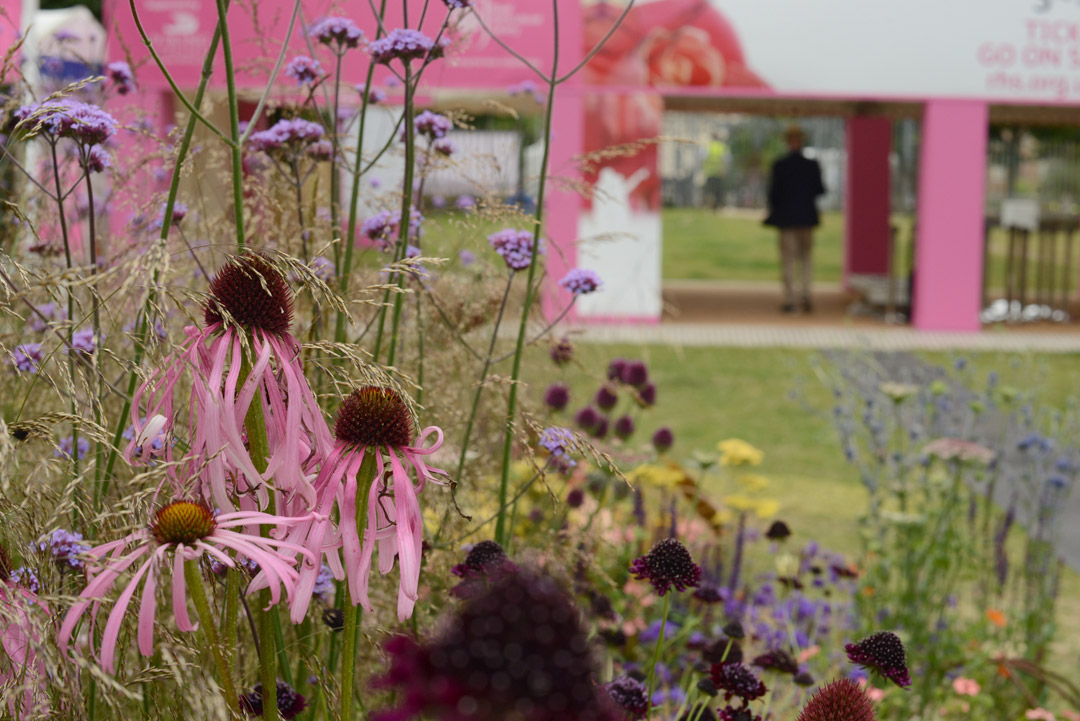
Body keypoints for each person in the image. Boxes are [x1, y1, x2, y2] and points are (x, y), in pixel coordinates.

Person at [764, 124, 826, 313]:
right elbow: (820, 190)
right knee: (805, 258)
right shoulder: (812, 165)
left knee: (789, 260)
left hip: (787, 220)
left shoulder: (780, 166)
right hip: (806, 218)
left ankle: (791, 299)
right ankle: (805, 294)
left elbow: (773, 194)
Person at [702, 129, 729, 211]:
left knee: (710, 190)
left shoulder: (708, 146)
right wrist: (725, 170)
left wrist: (704, 169)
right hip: (718, 172)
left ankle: (709, 205)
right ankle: (717, 206)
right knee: (718, 191)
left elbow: (702, 158)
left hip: (710, 172)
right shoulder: (722, 146)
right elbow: (726, 160)